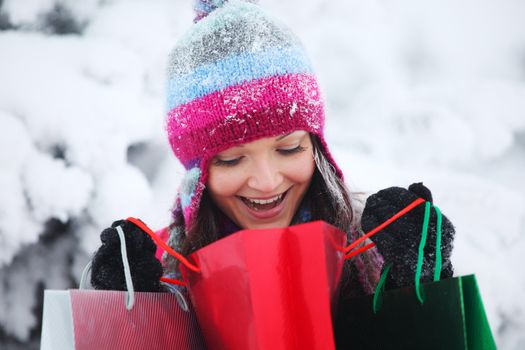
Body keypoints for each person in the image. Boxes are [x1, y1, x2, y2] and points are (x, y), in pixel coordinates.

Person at [90, 0, 455, 346]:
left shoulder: (372, 251)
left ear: (316, 149)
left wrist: (420, 289)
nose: (266, 181)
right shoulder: (158, 274)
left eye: (289, 149)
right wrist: (129, 323)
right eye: (232, 159)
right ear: (195, 176)